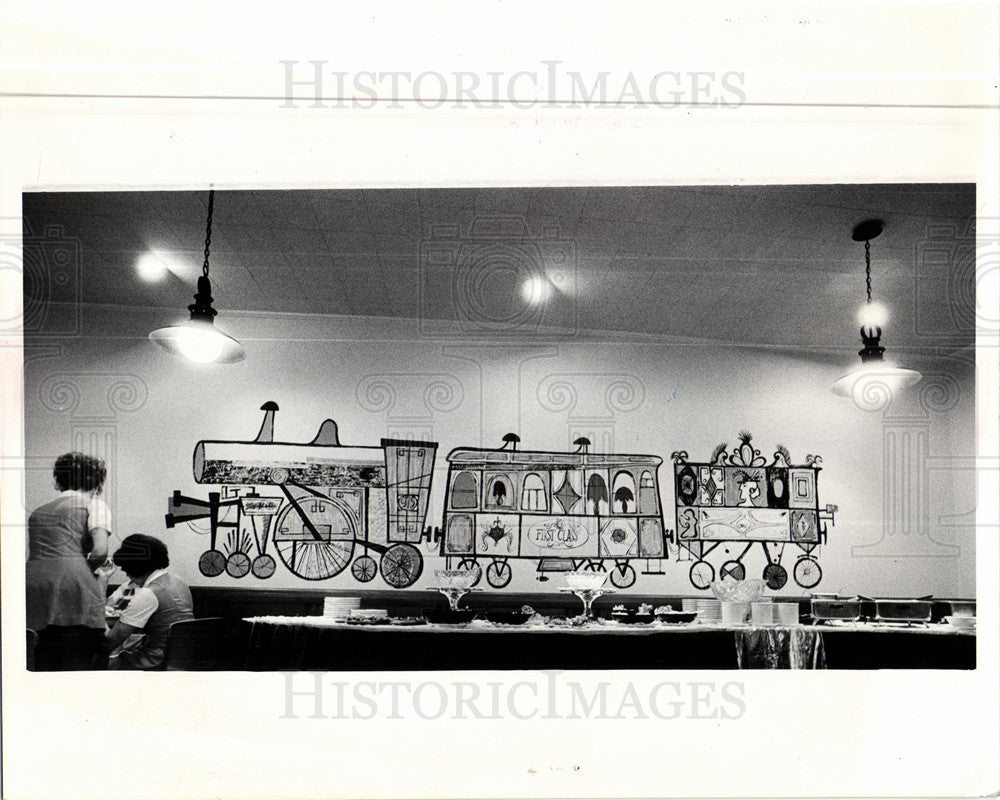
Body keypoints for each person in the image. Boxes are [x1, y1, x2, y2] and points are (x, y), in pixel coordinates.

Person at [26, 452, 113, 670]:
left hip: (32, 585)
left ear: (60, 479)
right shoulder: (94, 505)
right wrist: (87, 570)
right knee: (77, 662)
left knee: (43, 660)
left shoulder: (37, 512)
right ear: (97, 482)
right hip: (73, 586)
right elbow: (101, 550)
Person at [106, 534, 193, 670]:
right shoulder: (180, 583)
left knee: (100, 660)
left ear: (134, 566)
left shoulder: (148, 593)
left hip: (155, 662)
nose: (125, 573)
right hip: (182, 659)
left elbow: (111, 641)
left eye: (125, 567)